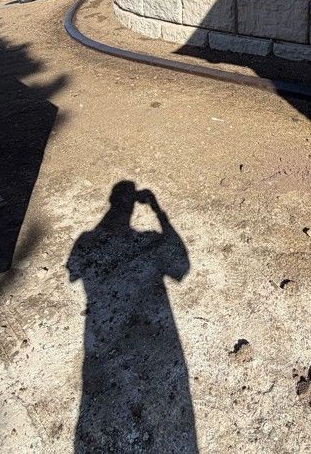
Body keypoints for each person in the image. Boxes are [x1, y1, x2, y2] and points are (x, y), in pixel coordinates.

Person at [67, 180, 196, 452]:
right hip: (154, 342)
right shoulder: (148, 239)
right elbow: (181, 268)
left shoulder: (85, 241)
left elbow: (74, 274)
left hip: (102, 340)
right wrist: (160, 213)